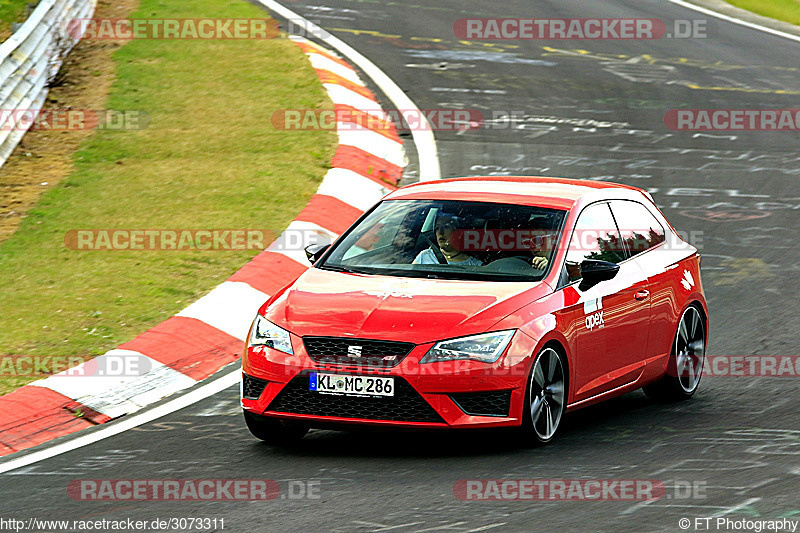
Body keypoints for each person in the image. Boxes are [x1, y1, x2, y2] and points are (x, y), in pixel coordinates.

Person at [413, 212, 482, 266]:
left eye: (446, 227)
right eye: (437, 228)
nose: (440, 232)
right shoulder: (424, 256)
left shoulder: (475, 265)